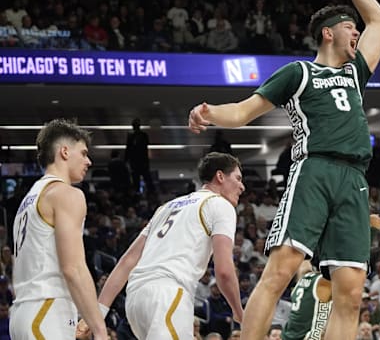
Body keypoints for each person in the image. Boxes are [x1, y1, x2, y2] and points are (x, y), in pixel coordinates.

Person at [188, 0, 380, 340]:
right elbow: (245, 111)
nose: (357, 34)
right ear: (328, 33)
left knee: (349, 293)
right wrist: (209, 111)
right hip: (314, 170)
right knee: (280, 270)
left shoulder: (355, 72)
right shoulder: (299, 72)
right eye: (350, 28)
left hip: (355, 179)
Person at [77, 152, 245, 339]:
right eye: (238, 178)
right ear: (220, 176)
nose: (242, 186)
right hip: (167, 293)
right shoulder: (220, 205)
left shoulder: (166, 207)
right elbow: (224, 271)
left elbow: (127, 260)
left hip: (135, 299)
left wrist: (98, 313)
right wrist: (239, 312)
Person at [10, 119, 108, 339]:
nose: (88, 161)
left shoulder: (29, 199)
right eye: (83, 153)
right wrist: (100, 329)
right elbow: (73, 268)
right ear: (64, 151)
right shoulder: (67, 194)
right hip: (46, 310)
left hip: (25, 312)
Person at [283, 215, 380, 340]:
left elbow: (305, 257)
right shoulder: (325, 282)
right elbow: (354, 265)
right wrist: (372, 232)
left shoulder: (305, 277)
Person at [125, 118, 154, 194]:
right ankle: (138, 192)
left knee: (144, 178)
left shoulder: (141, 135)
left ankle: (148, 192)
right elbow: (128, 149)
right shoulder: (133, 136)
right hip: (137, 161)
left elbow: (128, 149)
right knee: (138, 179)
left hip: (140, 161)